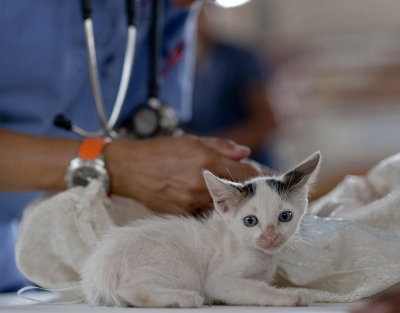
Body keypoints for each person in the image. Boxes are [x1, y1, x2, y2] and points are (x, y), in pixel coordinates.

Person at [0, 0, 265, 293]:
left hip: (25, 273)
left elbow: (150, 130)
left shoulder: (166, 11)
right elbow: (130, 163)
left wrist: (197, 174)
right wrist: (114, 165)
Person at [183, 4, 277, 166]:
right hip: (207, 166)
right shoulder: (180, 64)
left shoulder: (239, 59)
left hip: (248, 164)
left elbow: (266, 122)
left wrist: (218, 148)